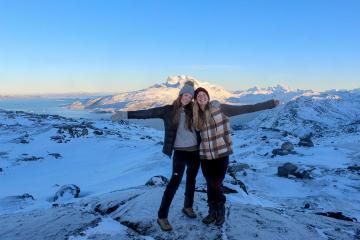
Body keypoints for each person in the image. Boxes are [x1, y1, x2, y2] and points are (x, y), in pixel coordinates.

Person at [111, 81, 201, 232]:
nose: (187, 98)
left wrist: (216, 105)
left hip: (195, 152)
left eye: (190, 96)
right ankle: (162, 216)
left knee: (191, 180)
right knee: (174, 183)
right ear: (180, 95)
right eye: (185, 95)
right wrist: (124, 114)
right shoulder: (168, 110)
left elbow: (209, 110)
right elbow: (147, 113)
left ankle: (188, 207)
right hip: (180, 152)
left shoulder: (194, 110)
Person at [193, 87, 279, 226]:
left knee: (216, 184)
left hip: (221, 153)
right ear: (196, 99)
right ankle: (211, 212)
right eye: (198, 96)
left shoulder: (221, 108)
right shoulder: (196, 115)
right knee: (210, 185)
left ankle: (220, 210)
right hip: (205, 156)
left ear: (208, 97)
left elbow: (246, 108)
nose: (202, 97)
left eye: (204, 94)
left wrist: (268, 104)